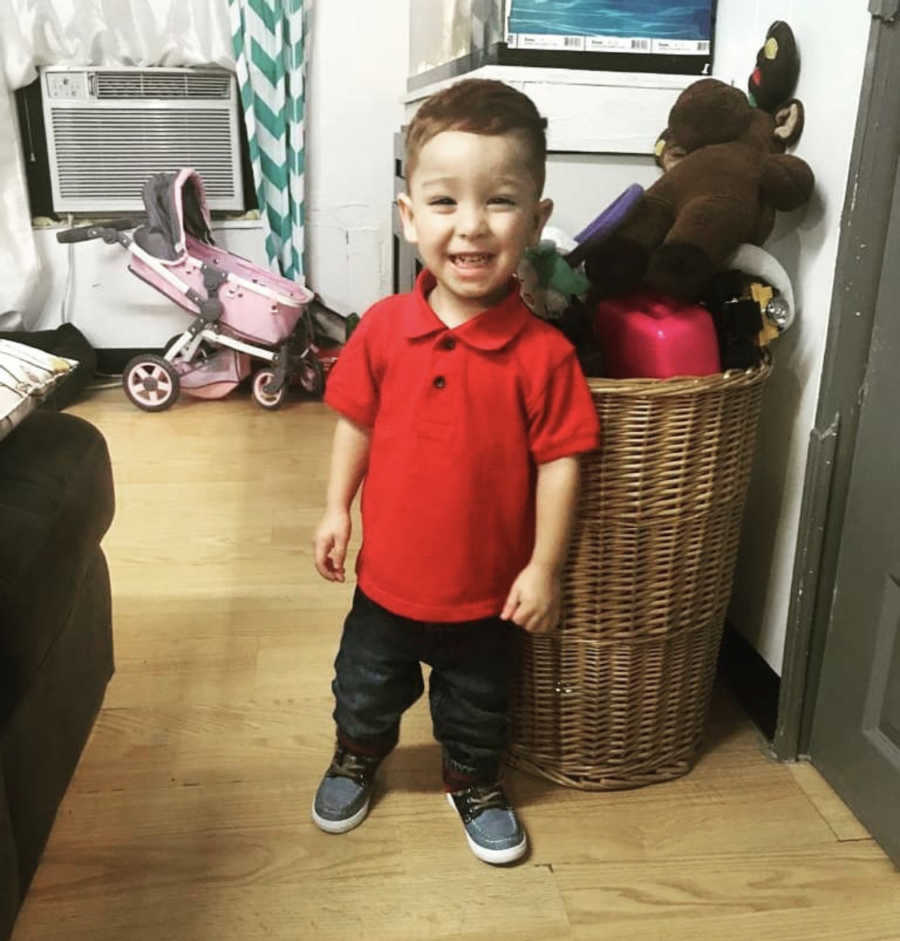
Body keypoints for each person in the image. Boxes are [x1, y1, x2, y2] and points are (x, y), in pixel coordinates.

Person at [311, 78, 601, 865]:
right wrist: (337, 507)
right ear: (408, 217)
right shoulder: (380, 329)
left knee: (478, 704)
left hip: (488, 593)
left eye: (500, 201)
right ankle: (356, 753)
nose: (471, 225)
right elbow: (356, 423)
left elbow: (561, 465)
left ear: (537, 222)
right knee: (364, 684)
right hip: (387, 581)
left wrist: (545, 567)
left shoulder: (546, 357)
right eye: (444, 202)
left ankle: (472, 779)